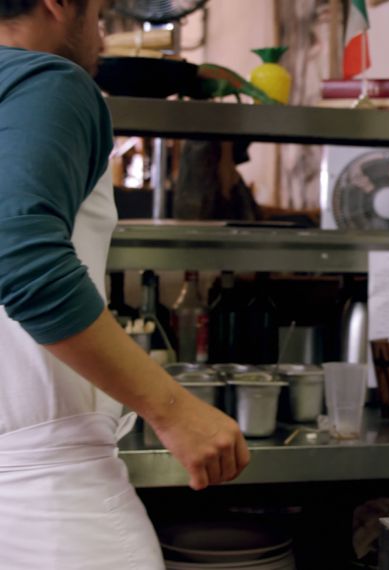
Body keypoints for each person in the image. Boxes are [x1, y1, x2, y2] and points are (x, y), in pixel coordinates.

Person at [0, 1, 250, 567]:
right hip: (44, 501)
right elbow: (21, 255)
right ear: (58, 5)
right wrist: (174, 410)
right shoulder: (46, 81)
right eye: (100, 12)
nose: (104, 33)